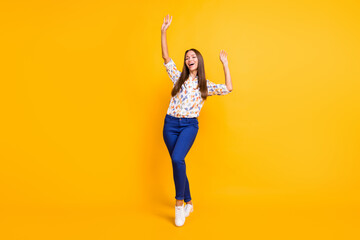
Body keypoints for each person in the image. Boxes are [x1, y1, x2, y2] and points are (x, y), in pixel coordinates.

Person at [161, 14, 233, 227]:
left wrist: (225, 64)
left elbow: (228, 88)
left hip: (189, 126)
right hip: (170, 124)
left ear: (198, 60)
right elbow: (165, 58)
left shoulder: (205, 85)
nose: (189, 59)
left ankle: (179, 204)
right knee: (178, 162)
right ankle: (190, 202)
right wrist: (164, 31)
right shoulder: (178, 78)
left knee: (177, 159)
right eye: (186, 57)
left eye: (192, 56)